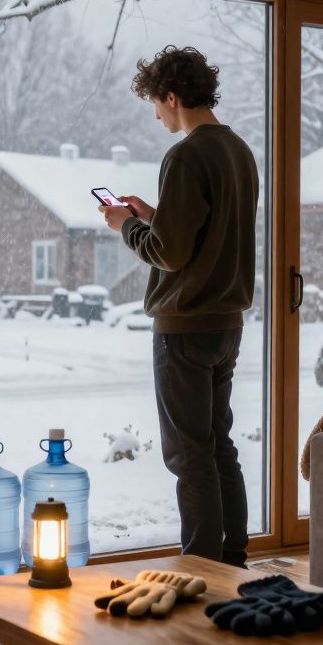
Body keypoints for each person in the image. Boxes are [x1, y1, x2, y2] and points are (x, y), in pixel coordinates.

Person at [98, 46, 259, 565]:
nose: (156, 114)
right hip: (225, 325)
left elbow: (167, 252)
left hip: (184, 327)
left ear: (172, 96)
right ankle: (231, 559)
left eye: (156, 103)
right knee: (218, 447)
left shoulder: (186, 155)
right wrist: (156, 213)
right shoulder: (238, 151)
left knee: (190, 457)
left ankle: (202, 566)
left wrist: (128, 226)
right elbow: (204, 235)